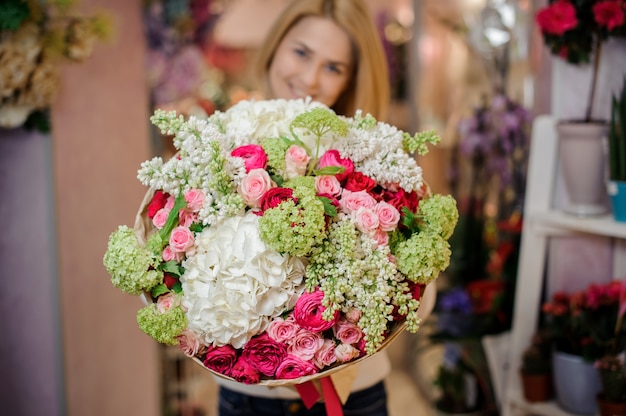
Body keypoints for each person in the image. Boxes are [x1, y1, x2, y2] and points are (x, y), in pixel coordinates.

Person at [214, 1, 436, 415]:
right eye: (301, 52)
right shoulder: (219, 143)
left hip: (354, 395)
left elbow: (423, 294)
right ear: (276, 46)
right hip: (247, 395)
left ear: (352, 79)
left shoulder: (374, 159)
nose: (311, 79)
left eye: (334, 67)